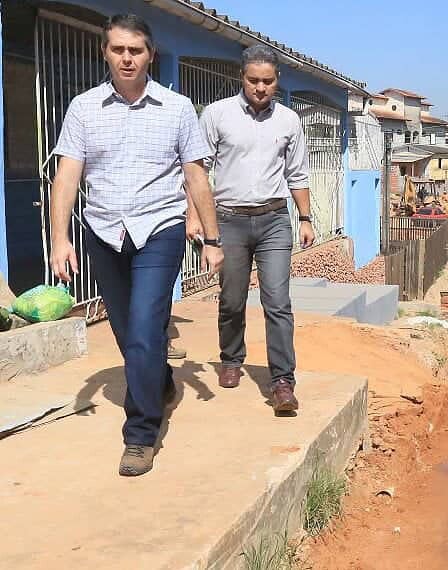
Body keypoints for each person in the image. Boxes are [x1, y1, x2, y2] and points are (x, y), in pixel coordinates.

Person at [49, 14, 222, 476]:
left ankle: (141, 434)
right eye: (118, 50)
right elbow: (67, 175)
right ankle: (160, 379)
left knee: (146, 329)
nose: (127, 58)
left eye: (136, 50)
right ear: (106, 52)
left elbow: (196, 176)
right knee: (129, 336)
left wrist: (212, 237)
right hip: (103, 231)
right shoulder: (84, 108)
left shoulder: (178, 108)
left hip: (159, 229)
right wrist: (59, 239)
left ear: (150, 55)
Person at [200, 45, 312, 415]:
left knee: (277, 302)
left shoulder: (289, 121)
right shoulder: (217, 115)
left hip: (274, 221)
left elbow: (297, 174)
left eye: (268, 81)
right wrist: (195, 217)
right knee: (232, 299)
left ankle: (283, 381)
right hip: (229, 220)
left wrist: (307, 218)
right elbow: (197, 171)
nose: (260, 87)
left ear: (277, 80)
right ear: (241, 78)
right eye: (253, 80)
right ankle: (231, 358)